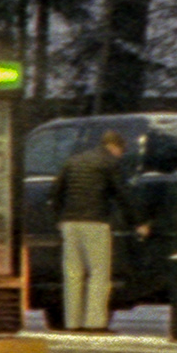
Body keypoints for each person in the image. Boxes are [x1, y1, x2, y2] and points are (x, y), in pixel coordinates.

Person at [53, 126, 132, 331]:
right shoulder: (109, 162)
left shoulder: (73, 161)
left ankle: (73, 322)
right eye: (121, 151)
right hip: (95, 222)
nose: (120, 155)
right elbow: (122, 194)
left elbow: (56, 192)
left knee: (73, 273)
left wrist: (59, 218)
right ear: (114, 147)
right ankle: (94, 322)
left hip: (70, 223)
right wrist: (137, 222)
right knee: (98, 273)